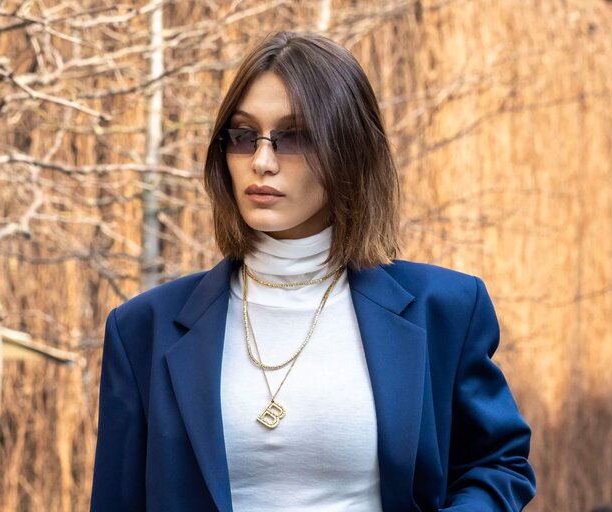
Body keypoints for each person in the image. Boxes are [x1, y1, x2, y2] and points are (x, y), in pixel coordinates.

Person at [90, 31, 536, 511]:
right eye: (243, 136)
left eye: (294, 137)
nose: (262, 161)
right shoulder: (142, 329)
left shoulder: (445, 309)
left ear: (350, 150)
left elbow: (498, 464)